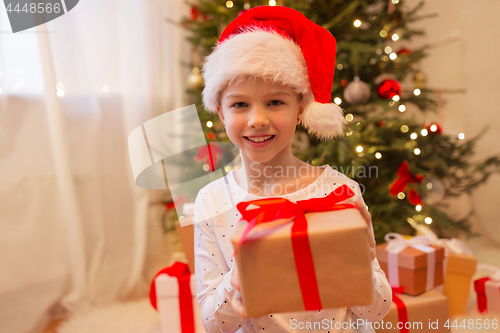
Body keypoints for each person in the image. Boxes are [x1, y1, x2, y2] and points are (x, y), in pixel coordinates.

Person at [193, 5, 392, 332]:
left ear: (300, 109)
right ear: (220, 112)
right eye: (240, 104)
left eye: (275, 102)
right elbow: (215, 324)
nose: (257, 119)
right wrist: (241, 276)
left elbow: (377, 312)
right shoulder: (211, 202)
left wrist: (360, 261)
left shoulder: (339, 191)